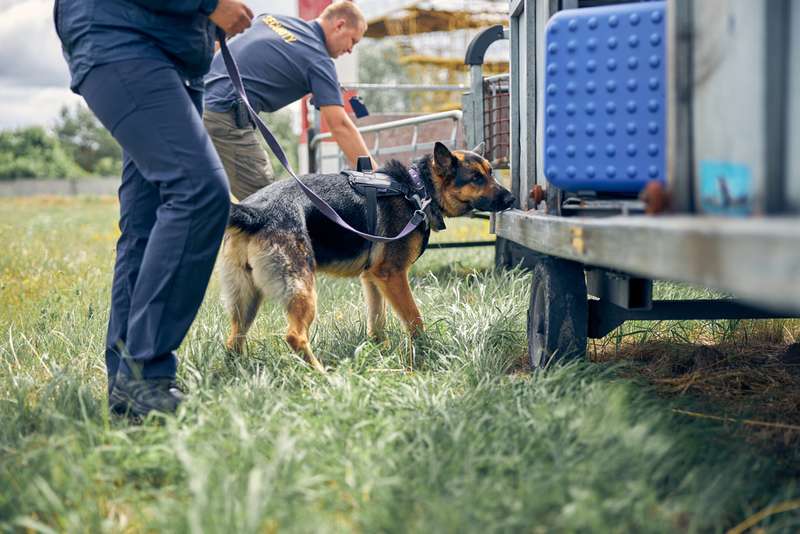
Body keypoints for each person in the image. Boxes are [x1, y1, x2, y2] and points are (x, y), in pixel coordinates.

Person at [54, 0, 253, 418]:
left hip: (170, 56)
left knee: (145, 225)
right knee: (198, 191)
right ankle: (146, 373)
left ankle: (128, 388)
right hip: (122, 38)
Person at [203, 1, 376, 201]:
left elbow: (220, 44)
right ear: (340, 25)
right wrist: (374, 177)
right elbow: (340, 125)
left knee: (198, 197)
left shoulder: (271, 18)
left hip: (192, 103)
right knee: (269, 208)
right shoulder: (319, 61)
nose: (350, 50)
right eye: (353, 41)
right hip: (223, 117)